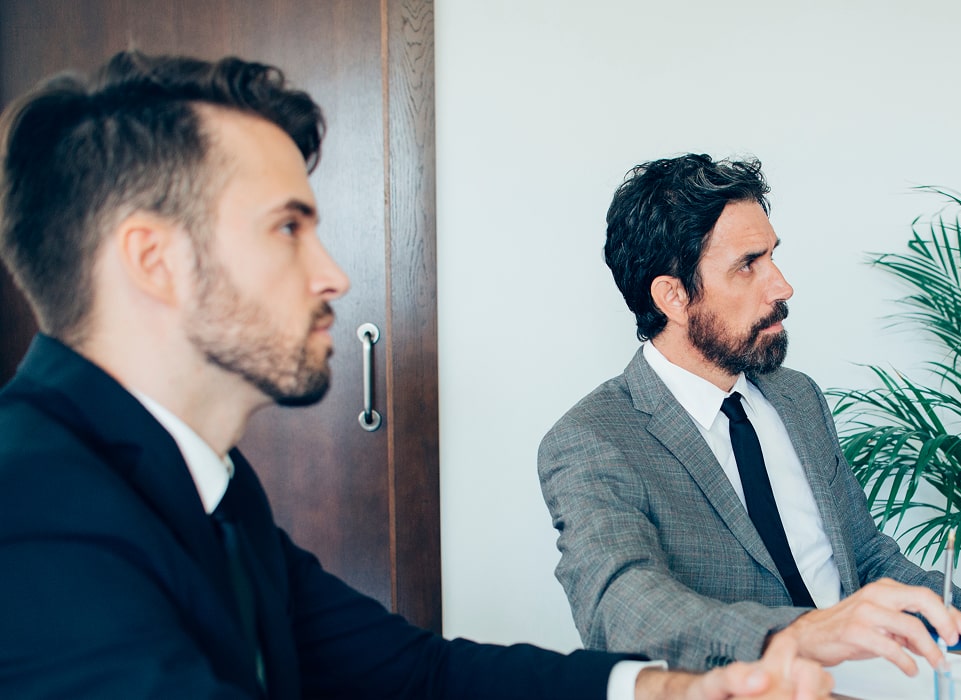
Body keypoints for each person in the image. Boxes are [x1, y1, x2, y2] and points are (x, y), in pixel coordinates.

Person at [0, 51, 832, 700]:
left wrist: (670, 689)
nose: (334, 275)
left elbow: (417, 675)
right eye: (287, 228)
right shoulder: (29, 506)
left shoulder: (217, 490)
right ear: (153, 261)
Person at [538, 153, 961, 674]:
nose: (782, 286)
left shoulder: (796, 397)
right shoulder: (592, 439)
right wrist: (799, 636)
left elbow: (866, 558)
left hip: (873, 680)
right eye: (748, 265)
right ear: (673, 296)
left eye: (772, 257)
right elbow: (622, 607)